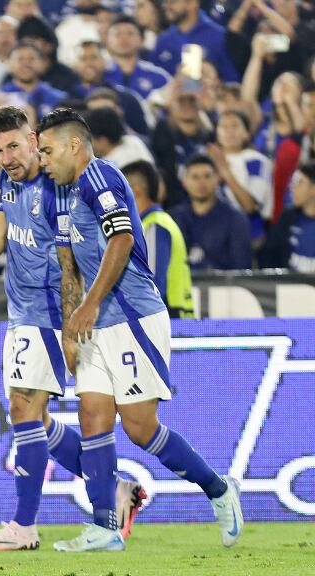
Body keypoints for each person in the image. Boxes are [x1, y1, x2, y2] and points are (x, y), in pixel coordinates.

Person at [36, 108, 242, 552]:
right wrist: (71, 329)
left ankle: (219, 490)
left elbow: (123, 238)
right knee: (92, 417)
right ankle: (105, 527)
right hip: (92, 326)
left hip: (132, 317)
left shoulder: (100, 177)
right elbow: (68, 267)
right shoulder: (61, 195)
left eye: (48, 150)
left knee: (140, 427)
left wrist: (90, 305)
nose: (43, 160)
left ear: (75, 145)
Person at [0, 106, 145, 552]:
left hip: (51, 314)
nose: (7, 156)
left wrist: (71, 332)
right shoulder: (8, 182)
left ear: (34, 139)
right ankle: (114, 490)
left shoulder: (58, 190)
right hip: (21, 312)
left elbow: (70, 266)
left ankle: (23, 525)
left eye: (14, 145)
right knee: (37, 419)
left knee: (23, 409)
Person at [121, 160, 194, 318]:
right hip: (172, 316)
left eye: (118, 189)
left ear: (134, 190)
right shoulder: (153, 223)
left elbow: (151, 286)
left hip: (170, 319)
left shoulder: (154, 226)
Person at [170, 154, 253, 270]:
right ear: (184, 182)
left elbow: (242, 268)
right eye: (195, 177)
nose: (201, 183)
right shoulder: (173, 218)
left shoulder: (235, 218)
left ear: (217, 179)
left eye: (207, 176)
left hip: (224, 287)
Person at [206, 110, 273, 247]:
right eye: (224, 127)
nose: (229, 131)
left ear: (247, 133)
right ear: (217, 134)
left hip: (248, 235)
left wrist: (225, 171)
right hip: (211, 232)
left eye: (235, 126)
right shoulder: (207, 161)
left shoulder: (256, 161)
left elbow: (249, 206)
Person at [260, 161, 315, 272]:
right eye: (292, 182)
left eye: (299, 182)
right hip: (289, 286)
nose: (292, 188)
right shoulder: (287, 217)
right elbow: (269, 257)